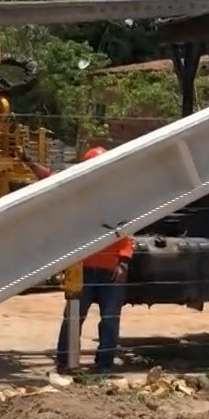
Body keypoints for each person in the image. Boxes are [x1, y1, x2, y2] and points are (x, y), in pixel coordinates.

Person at [55, 146, 134, 373]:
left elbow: (127, 232)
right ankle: (65, 361)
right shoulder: (79, 198)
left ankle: (104, 365)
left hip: (110, 271)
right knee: (74, 316)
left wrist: (123, 262)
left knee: (110, 319)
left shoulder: (118, 199)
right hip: (83, 269)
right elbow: (51, 180)